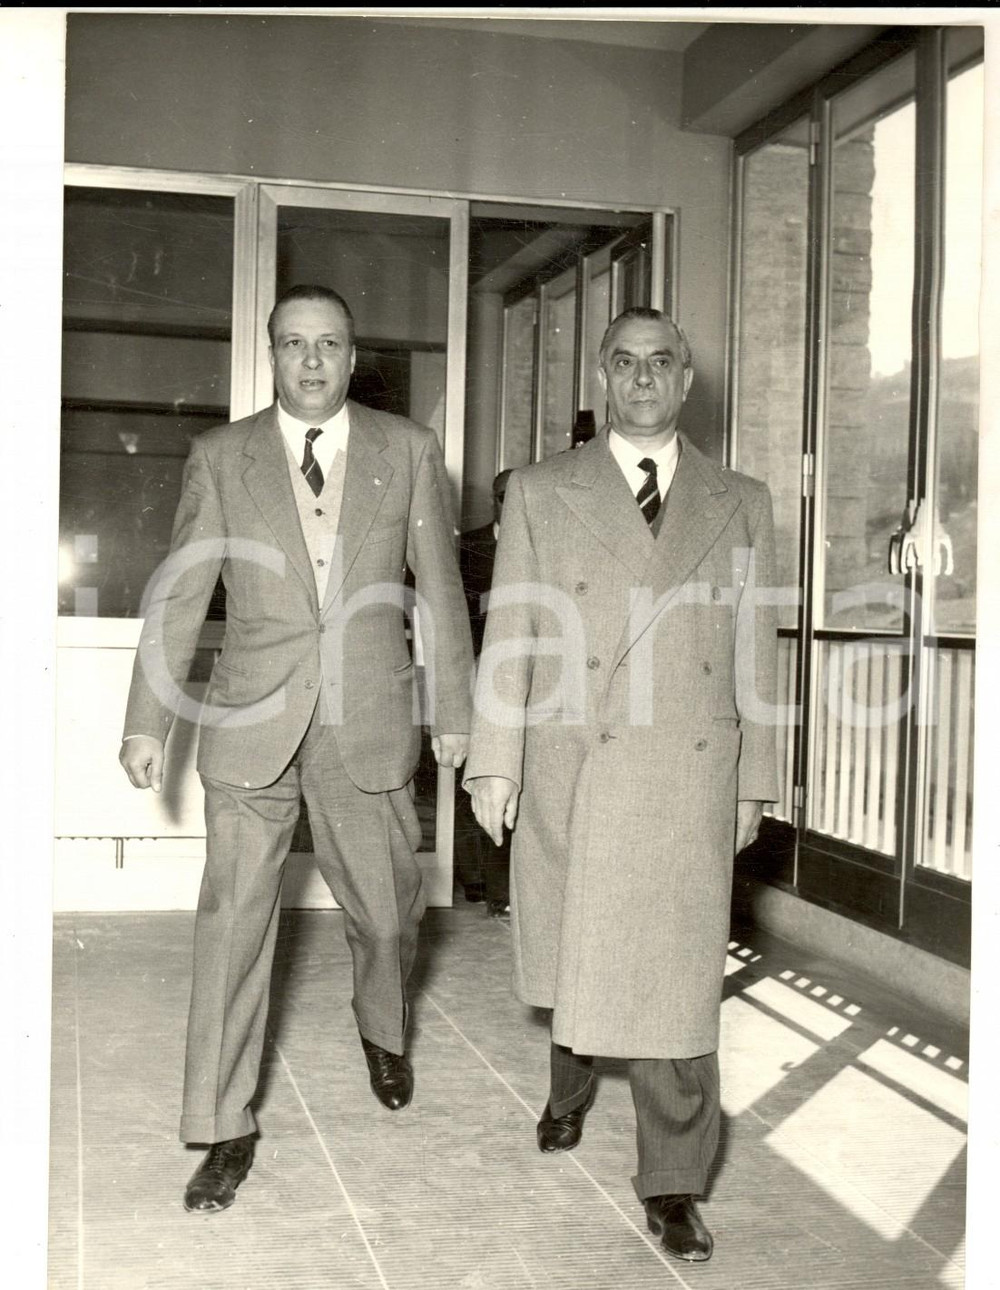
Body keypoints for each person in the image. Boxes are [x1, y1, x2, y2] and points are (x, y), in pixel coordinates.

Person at [119, 284, 473, 1213]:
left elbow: (440, 589)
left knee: (390, 916)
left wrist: (458, 712)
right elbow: (181, 594)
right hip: (249, 726)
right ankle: (222, 1125)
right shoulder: (222, 456)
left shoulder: (408, 451)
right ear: (270, 356)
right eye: (293, 345)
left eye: (329, 345)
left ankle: (382, 1026)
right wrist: (149, 719)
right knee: (233, 926)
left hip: (371, 719)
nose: (311, 361)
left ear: (356, 359)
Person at [465, 307, 777, 1264]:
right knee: (580, 955)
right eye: (625, 363)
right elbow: (512, 632)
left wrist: (755, 778)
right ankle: (570, 1086)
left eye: (662, 363)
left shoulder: (742, 498)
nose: (644, 379)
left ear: (688, 381)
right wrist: (495, 760)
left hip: (689, 770)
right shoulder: (543, 490)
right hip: (577, 761)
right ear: (603, 379)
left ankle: (674, 1182)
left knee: (679, 987)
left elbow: (756, 649)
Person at [454, 469, 513, 917]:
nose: (509, 505)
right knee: (473, 776)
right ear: (492, 500)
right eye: (501, 497)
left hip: (525, 682)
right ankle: (475, 879)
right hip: (475, 674)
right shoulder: (469, 547)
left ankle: (501, 891)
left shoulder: (544, 543)